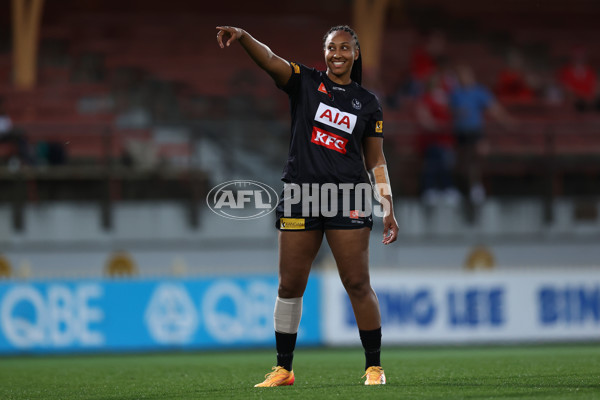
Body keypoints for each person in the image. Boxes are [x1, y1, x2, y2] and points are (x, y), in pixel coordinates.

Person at [216, 25, 399, 387]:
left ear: (356, 54)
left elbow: (375, 162)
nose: (338, 54)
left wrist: (387, 205)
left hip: (349, 197)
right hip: (301, 195)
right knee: (289, 285)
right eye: (332, 48)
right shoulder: (304, 82)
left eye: (345, 48)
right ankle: (284, 369)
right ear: (325, 52)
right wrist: (244, 36)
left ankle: (374, 368)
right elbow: (270, 60)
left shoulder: (368, 103)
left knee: (357, 283)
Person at [449, 65, 514, 206]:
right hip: (460, 133)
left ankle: (476, 188)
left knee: (475, 159)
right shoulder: (455, 93)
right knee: (461, 162)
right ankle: (462, 189)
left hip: (475, 132)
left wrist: (507, 122)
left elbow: (494, 108)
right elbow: (450, 112)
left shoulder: (479, 92)